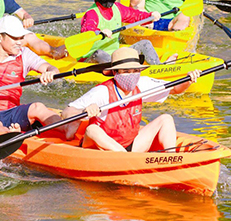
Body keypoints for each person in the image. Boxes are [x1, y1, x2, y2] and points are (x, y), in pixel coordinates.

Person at [60, 47, 201, 151]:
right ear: (115, 73)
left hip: (130, 146)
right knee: (91, 129)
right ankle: (125, 160)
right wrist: (85, 111)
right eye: (126, 71)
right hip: (100, 149)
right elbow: (67, 112)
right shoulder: (102, 92)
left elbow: (175, 89)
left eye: (135, 71)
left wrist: (188, 80)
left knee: (166, 119)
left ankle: (172, 160)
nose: (132, 75)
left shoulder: (142, 84)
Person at [79, 0, 161, 64]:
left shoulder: (117, 8)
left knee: (145, 43)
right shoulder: (91, 13)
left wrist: (150, 16)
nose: (111, 0)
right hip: (93, 57)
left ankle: (157, 67)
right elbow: (87, 29)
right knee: (100, 53)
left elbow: (134, 15)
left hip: (114, 55)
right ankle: (119, 68)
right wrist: (99, 32)